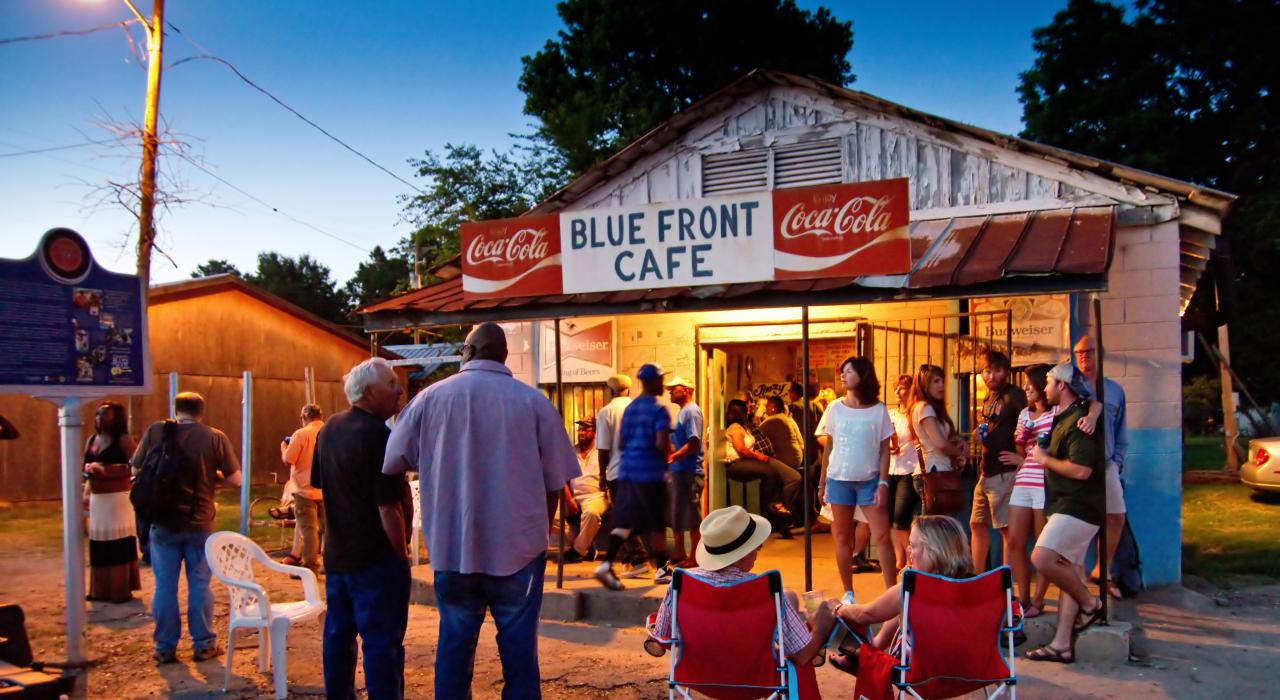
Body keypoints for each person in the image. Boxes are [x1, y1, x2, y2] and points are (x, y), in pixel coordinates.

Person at [384, 323, 577, 699]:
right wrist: (540, 532)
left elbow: (394, 460)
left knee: (455, 645)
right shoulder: (534, 402)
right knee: (520, 652)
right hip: (519, 550)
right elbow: (555, 482)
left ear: (468, 352)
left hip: (453, 548)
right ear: (504, 356)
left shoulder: (429, 399)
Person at [313, 358, 412, 699]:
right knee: (382, 643)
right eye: (391, 384)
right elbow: (388, 507)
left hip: (339, 556)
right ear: (368, 392)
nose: (399, 391)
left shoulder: (329, 428)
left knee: (338, 636)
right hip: (376, 560)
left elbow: (321, 491)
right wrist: (401, 555)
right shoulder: (378, 436)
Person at [131, 391, 241, 665]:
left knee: (164, 587)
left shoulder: (156, 432)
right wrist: (210, 479)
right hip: (200, 521)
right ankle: (203, 644)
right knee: (200, 585)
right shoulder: (214, 437)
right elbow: (236, 480)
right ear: (201, 411)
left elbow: (136, 470)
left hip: (163, 522)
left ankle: (164, 647)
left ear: (176, 409)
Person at [652, 506, 835, 667]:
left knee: (789, 597)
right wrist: (821, 627)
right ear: (742, 553)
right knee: (787, 603)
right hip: (755, 679)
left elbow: (660, 638)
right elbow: (802, 656)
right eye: (757, 546)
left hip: (698, 675)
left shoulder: (681, 582)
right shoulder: (766, 589)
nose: (758, 550)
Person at [1025, 362, 1105, 664]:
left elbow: (1082, 470)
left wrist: (1044, 459)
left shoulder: (1079, 422)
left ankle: (1091, 604)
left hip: (1078, 505)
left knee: (1042, 558)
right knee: (1069, 569)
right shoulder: (1067, 416)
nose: (1044, 388)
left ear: (1062, 385)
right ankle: (1062, 645)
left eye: (1048, 382)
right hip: (1067, 504)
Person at [828, 515, 975, 667]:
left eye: (912, 545)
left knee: (903, 601)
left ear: (933, 552)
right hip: (967, 668)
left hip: (920, 671)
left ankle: (865, 655)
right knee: (904, 606)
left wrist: (839, 607)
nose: (908, 549)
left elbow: (865, 614)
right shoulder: (975, 585)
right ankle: (871, 648)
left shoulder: (914, 587)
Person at [817, 355, 898, 597]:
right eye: (842, 371)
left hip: (869, 481)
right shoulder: (835, 408)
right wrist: (822, 482)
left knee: (882, 535)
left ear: (863, 376)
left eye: (849, 371)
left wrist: (883, 482)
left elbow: (885, 450)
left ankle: (892, 593)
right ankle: (848, 592)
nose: (843, 375)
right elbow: (829, 447)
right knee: (843, 537)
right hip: (838, 480)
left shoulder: (879, 410)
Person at [595, 363, 674, 590]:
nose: (663, 384)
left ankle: (606, 564)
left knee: (626, 520)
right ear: (652, 382)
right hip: (650, 474)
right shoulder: (658, 410)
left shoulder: (631, 410)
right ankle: (662, 568)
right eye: (661, 380)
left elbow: (620, 443)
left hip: (627, 473)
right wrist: (668, 451)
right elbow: (661, 444)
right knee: (657, 523)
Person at [1000, 364, 1054, 618]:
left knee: (1042, 545)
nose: (1027, 388)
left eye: (1031, 384)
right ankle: (1023, 597)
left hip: (1045, 481)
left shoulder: (1056, 412)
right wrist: (1021, 441)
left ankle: (1039, 599)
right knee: (1014, 542)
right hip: (1024, 479)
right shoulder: (1024, 413)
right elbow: (1021, 452)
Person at [1074, 335, 1128, 592]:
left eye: (1089, 351)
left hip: (1106, 464)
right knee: (1079, 521)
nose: (1084, 356)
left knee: (1115, 517)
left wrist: (1117, 462)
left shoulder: (1115, 390)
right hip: (1078, 467)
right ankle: (1077, 576)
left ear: (1100, 354)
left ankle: (1101, 569)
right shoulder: (1071, 388)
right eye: (1079, 352)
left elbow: (1121, 430)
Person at [971, 351, 1027, 572]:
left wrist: (1023, 457)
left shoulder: (1014, 395)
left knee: (1006, 530)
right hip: (986, 471)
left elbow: (1033, 423)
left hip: (1005, 473)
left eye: (997, 371)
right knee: (976, 524)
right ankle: (977, 577)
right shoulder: (988, 398)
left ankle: (1006, 582)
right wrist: (979, 434)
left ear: (1006, 372)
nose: (991, 376)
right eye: (987, 371)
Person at [83, 401, 140, 603]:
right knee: (99, 542)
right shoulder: (93, 440)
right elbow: (84, 466)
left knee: (117, 543)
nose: (100, 418)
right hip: (97, 499)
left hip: (117, 499)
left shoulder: (123, 440)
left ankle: (119, 589)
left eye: (105, 414)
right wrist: (88, 480)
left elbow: (137, 465)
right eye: (98, 414)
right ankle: (99, 590)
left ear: (117, 418)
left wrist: (109, 470)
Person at [595, 374, 650, 578]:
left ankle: (639, 558)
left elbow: (603, 448)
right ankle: (628, 561)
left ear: (611, 391)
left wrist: (602, 474)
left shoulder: (606, 412)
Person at [724, 399, 799, 533]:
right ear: (739, 412)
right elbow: (741, 449)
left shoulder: (744, 426)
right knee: (769, 471)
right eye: (746, 409)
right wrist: (757, 456)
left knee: (771, 471)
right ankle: (771, 505)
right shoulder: (735, 427)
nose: (749, 411)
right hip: (737, 463)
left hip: (745, 461)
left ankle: (776, 510)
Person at [908, 364, 967, 516]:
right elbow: (940, 443)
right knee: (935, 524)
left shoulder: (928, 408)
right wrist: (959, 453)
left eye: (942, 380)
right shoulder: (924, 408)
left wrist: (957, 440)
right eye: (935, 381)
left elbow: (940, 437)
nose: (941, 385)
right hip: (934, 470)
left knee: (939, 522)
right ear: (924, 384)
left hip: (938, 469)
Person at [664, 375, 704, 573]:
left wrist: (673, 456)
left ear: (687, 390)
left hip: (689, 471)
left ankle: (695, 556)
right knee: (677, 514)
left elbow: (694, 442)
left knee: (692, 515)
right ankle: (679, 553)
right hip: (679, 471)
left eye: (674, 388)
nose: (670, 392)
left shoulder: (692, 412)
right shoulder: (683, 412)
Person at [280, 403, 325, 574]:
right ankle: (330, 564)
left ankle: (310, 566)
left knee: (308, 530)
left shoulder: (301, 434)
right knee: (328, 529)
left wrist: (284, 448)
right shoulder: (329, 431)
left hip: (304, 489)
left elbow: (289, 459)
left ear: (304, 417)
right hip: (325, 488)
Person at [561, 418, 607, 563]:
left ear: (595, 431)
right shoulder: (571, 452)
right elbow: (562, 478)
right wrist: (569, 500)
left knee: (591, 513)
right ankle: (588, 544)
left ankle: (578, 550)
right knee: (550, 515)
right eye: (579, 429)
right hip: (573, 496)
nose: (581, 432)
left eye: (585, 429)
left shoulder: (602, 451)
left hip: (595, 496)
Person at [887, 374, 920, 573]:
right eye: (896, 388)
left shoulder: (915, 413)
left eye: (902, 388)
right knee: (891, 518)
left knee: (901, 517)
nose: (898, 392)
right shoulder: (890, 414)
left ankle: (910, 559)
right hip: (890, 468)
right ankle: (899, 560)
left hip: (909, 469)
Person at [759, 395, 804, 472]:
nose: (765, 408)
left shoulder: (772, 420)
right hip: (799, 458)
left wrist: (758, 416)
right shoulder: (789, 419)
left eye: (767, 405)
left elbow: (756, 435)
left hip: (787, 461)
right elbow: (801, 443)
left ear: (773, 407)